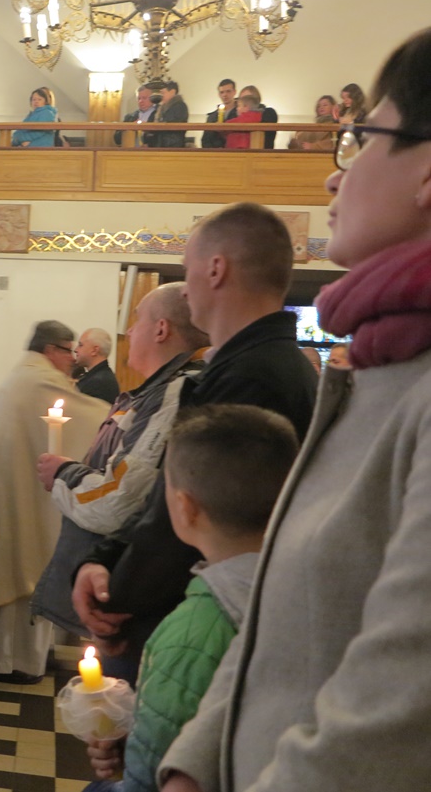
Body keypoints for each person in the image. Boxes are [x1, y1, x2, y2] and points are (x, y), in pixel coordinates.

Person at [160, 27, 431, 792]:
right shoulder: (380, 366)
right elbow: (285, 624)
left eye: (358, 140)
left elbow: (398, 706)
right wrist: (195, 762)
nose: (333, 177)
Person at [70, 203, 318, 682]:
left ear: (216, 269)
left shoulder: (256, 376)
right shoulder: (249, 364)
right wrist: (104, 559)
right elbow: (167, 491)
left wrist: (114, 599)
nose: (185, 288)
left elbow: (196, 515)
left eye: (188, 270)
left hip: (193, 623)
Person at [84, 404, 299, 792]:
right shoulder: (306, 590)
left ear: (185, 508)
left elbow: (152, 772)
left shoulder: (193, 630)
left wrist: (129, 758)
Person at [33, 283, 209, 638]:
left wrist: (63, 473)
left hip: (134, 585)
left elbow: (118, 501)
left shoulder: (175, 393)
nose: (129, 331)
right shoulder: (154, 392)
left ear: (161, 329)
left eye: (137, 320)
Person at [0, 321, 108, 684]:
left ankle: (4, 658)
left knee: (13, 574)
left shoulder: (21, 376)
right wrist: (118, 417)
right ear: (51, 349)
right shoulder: (38, 381)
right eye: (68, 351)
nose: (72, 359)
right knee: (24, 573)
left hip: (11, 497)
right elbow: (88, 416)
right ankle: (14, 662)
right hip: (21, 505)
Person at [75, 327, 120, 404]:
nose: (76, 350)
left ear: (94, 350)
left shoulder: (98, 383)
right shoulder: (97, 377)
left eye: (80, 345)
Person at [202, 79, 238, 148]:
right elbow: (205, 140)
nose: (225, 95)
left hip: (235, 151)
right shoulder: (212, 117)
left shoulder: (240, 113)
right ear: (219, 94)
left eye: (228, 91)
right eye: (222, 92)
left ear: (234, 92)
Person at [154, 80, 189, 148]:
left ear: (172, 92)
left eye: (163, 93)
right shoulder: (162, 108)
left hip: (173, 145)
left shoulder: (180, 106)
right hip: (163, 144)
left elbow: (173, 124)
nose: (161, 96)